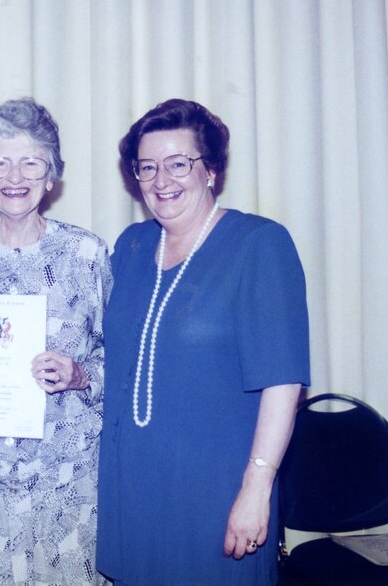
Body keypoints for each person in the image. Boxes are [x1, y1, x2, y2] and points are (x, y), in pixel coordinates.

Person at [96, 99, 310, 586]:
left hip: (216, 494)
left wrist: (257, 487)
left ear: (210, 169)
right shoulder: (129, 247)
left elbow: (284, 382)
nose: (161, 180)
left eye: (178, 164)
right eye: (147, 167)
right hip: (133, 490)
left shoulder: (259, 244)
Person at [0, 98, 112, 584]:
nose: (15, 175)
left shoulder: (88, 255)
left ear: (52, 175)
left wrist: (81, 375)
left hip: (66, 484)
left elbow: (124, 362)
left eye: (32, 161)